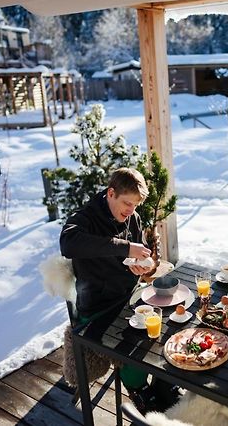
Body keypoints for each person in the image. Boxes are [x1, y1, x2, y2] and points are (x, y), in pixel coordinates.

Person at [60, 167, 178, 413]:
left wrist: (141, 266)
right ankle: (141, 393)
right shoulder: (85, 217)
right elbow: (68, 243)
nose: (131, 210)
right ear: (110, 193)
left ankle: (163, 384)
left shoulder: (131, 217)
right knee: (132, 345)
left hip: (131, 298)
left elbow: (142, 255)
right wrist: (125, 248)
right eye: (127, 203)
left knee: (170, 326)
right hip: (98, 309)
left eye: (135, 205)